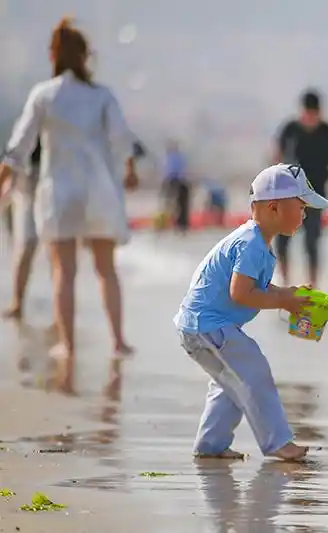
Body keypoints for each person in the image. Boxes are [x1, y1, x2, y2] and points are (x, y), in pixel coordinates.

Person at [0, 17, 140, 365]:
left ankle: (68, 345)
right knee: (106, 269)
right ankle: (119, 341)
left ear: (53, 55)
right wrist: (129, 169)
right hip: (98, 191)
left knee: (64, 270)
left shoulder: (44, 94)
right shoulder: (101, 95)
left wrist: (5, 175)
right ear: (84, 56)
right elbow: (122, 138)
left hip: (59, 191)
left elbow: (20, 143)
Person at [173, 163, 328, 461]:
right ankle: (278, 442)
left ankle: (210, 445)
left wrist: (287, 294)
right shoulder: (251, 245)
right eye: (301, 207)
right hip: (208, 325)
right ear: (274, 208)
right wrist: (284, 302)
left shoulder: (256, 242)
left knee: (231, 383)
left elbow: (256, 286)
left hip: (198, 326)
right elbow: (241, 294)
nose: (304, 215)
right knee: (254, 371)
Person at [273, 89, 328, 287]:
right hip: (288, 193)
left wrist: (326, 177)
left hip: (315, 194)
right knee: (283, 238)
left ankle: (312, 284)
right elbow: (277, 155)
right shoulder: (290, 130)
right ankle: (284, 281)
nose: (310, 118)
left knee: (312, 241)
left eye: (314, 114)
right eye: (307, 114)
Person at [1, 139, 41, 320]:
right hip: (23, 178)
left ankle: (18, 301)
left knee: (29, 245)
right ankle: (17, 302)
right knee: (24, 245)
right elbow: (13, 154)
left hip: (46, 176)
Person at [161, 140, 192, 234]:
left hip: (177, 181)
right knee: (173, 204)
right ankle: (174, 223)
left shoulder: (172, 158)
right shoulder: (170, 158)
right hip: (173, 181)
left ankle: (181, 223)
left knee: (179, 204)